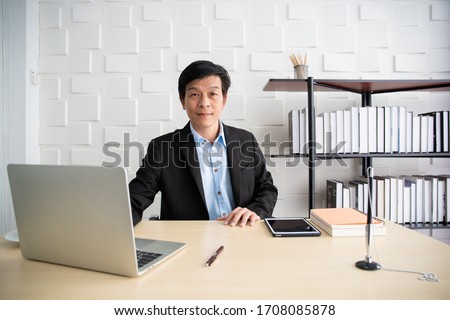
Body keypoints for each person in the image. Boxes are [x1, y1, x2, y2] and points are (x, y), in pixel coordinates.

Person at [129, 60, 277, 227]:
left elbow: (266, 188)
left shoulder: (245, 140)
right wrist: (115, 223)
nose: (204, 103)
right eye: (194, 94)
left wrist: (255, 211)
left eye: (212, 94)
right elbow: (135, 198)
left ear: (224, 100)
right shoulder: (162, 148)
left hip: (240, 234)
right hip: (188, 241)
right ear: (182, 101)